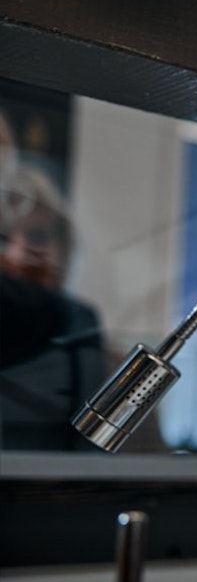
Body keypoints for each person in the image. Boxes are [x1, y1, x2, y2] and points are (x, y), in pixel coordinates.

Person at [0, 163, 108, 449]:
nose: (18, 254)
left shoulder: (110, 364)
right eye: (2, 238)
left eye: (37, 236)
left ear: (65, 248)